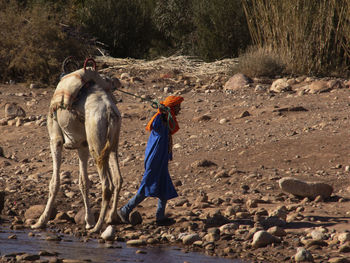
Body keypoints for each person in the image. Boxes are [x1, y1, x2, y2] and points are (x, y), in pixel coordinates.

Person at [118, 95, 184, 225]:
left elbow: (173, 127)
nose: (179, 110)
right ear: (172, 107)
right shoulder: (159, 119)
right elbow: (154, 124)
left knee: (164, 187)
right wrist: (161, 110)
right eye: (178, 107)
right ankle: (124, 210)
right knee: (146, 187)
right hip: (155, 159)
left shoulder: (168, 120)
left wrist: (166, 112)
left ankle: (160, 217)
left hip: (162, 159)